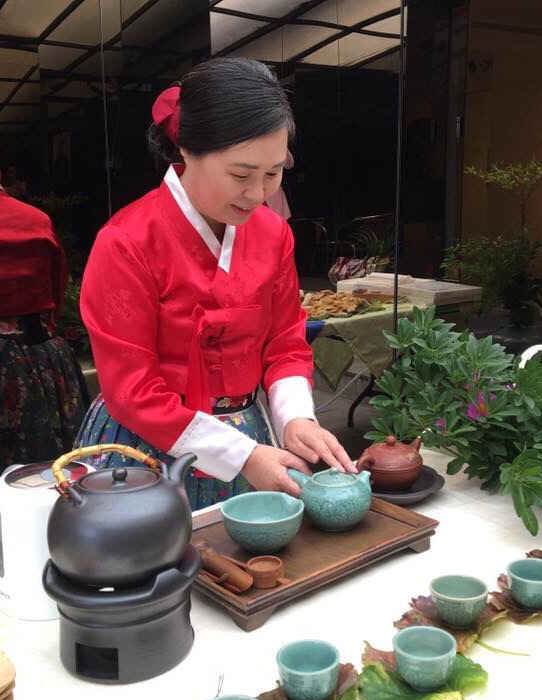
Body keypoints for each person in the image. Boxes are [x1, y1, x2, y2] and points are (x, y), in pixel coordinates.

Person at [76, 57, 356, 510]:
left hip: (254, 439)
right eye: (241, 174)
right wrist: (240, 454)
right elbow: (132, 390)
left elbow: (285, 344)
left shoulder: (273, 234)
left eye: (273, 173)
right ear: (186, 150)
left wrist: (295, 418)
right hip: (145, 446)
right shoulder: (127, 242)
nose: (258, 194)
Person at [0, 173, 89, 470]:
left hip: (20, 360)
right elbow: (58, 282)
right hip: (40, 355)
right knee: (51, 473)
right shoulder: (36, 219)